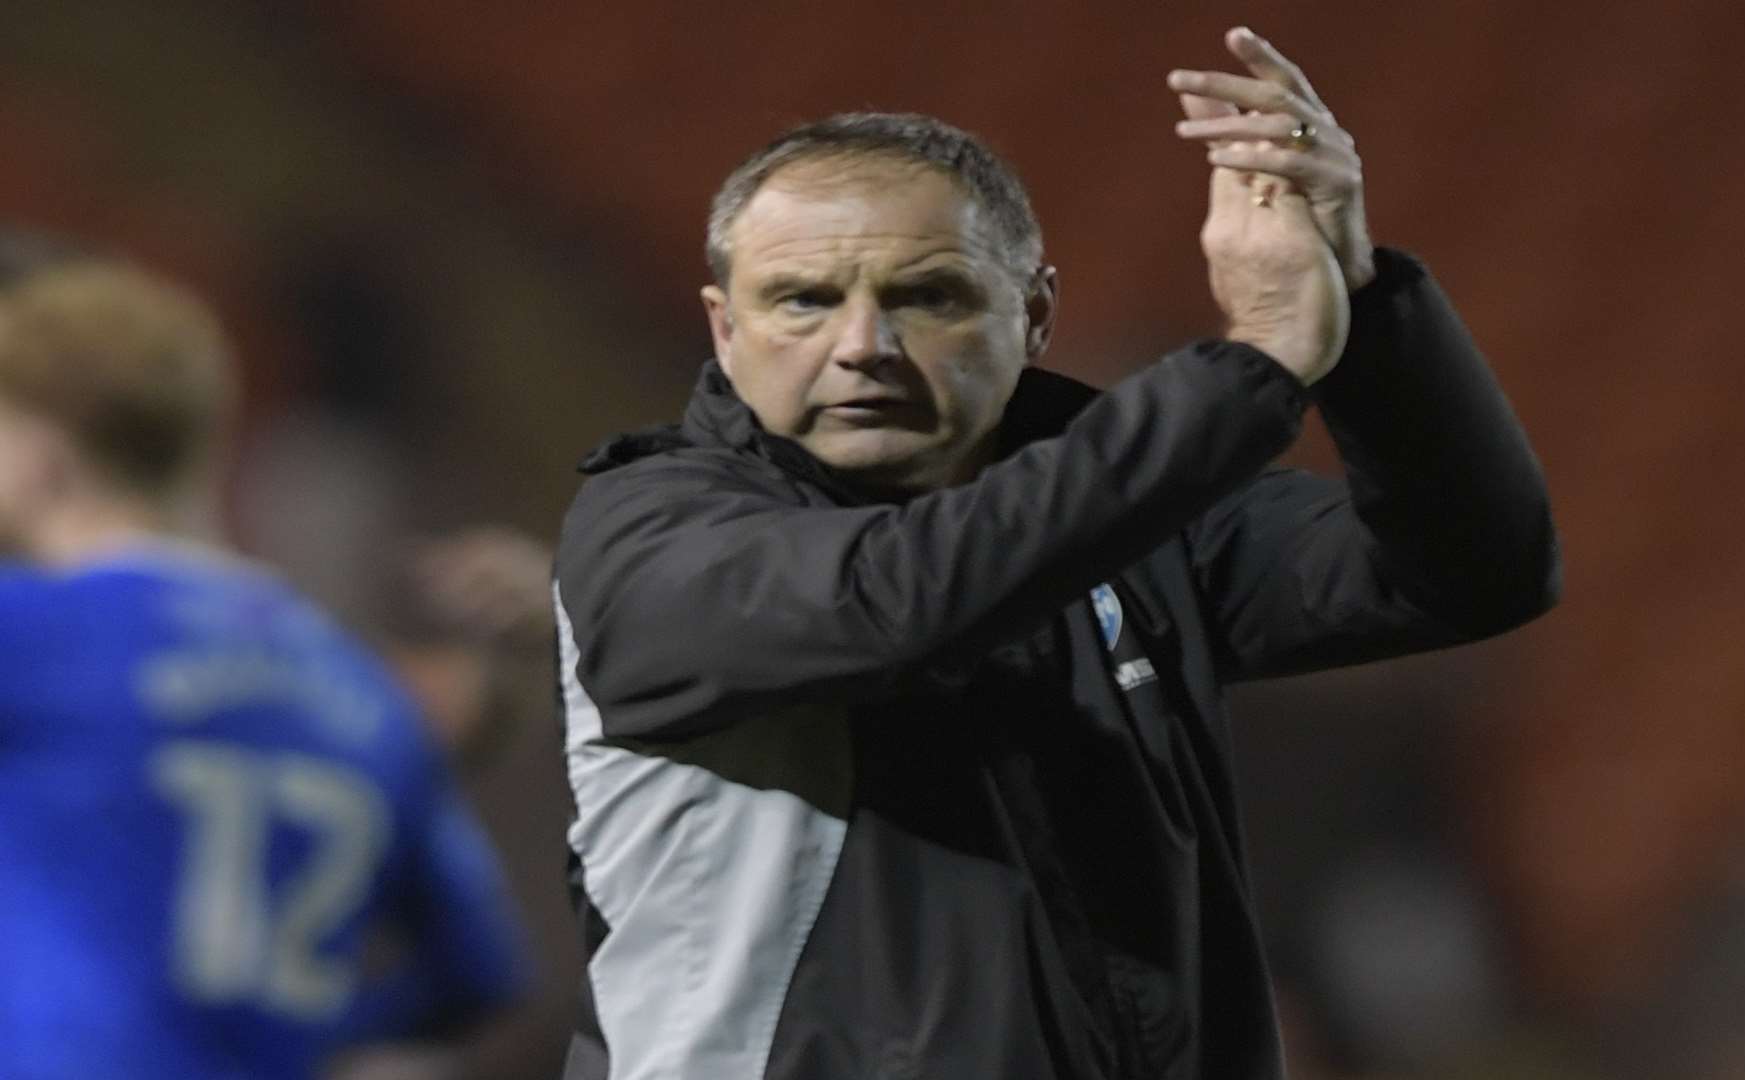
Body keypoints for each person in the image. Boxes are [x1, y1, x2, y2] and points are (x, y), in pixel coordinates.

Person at [552, 26, 1559, 1080]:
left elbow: (1474, 572)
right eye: (803, 299)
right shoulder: (648, 532)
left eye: (925, 295)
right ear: (724, 329)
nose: (860, 345)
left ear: (1033, 314)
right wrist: (1253, 361)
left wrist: (1357, 304)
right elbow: (900, 601)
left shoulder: (1127, 521)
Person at [0, 237, 530, 1079]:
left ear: (43, 453)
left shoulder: (33, 632)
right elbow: (481, 970)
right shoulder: (358, 689)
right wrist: (300, 1041)